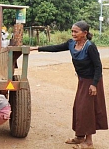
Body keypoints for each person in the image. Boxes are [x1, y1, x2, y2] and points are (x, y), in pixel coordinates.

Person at [30, 21, 108, 149]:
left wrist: (94, 84)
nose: (73, 34)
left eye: (76, 31)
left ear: (85, 33)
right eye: (72, 31)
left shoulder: (90, 47)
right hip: (82, 81)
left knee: (86, 110)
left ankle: (89, 142)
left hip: (91, 82)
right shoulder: (71, 44)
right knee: (78, 107)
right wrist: (37, 48)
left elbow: (98, 66)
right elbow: (56, 48)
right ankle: (79, 137)